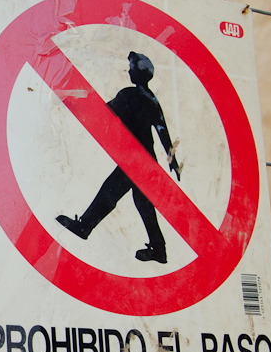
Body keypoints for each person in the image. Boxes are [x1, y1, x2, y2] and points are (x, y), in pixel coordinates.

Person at [56, 51, 181, 264]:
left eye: (131, 67)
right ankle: (159, 250)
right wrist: (172, 161)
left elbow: (104, 112)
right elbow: (162, 130)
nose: (129, 70)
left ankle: (85, 226)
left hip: (135, 160)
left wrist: (77, 99)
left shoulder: (128, 95)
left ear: (139, 72)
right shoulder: (152, 99)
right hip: (148, 161)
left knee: (110, 192)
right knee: (143, 204)